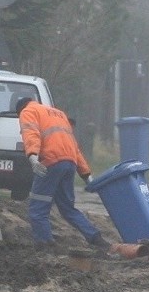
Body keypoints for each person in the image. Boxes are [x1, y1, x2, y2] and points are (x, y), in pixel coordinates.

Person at [15, 97, 111, 253]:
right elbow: (74, 146)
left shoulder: (28, 111)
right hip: (69, 163)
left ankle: (45, 245)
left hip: (50, 162)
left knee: (38, 209)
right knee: (67, 208)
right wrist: (86, 174)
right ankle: (96, 238)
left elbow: (31, 134)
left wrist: (32, 156)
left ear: (20, 110)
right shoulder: (58, 114)